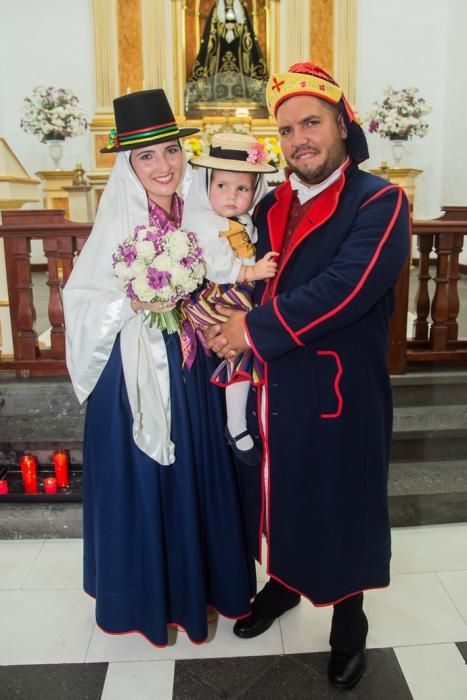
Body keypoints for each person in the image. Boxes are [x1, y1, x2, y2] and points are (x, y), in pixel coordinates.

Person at [204, 63, 410, 689]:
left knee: (343, 500)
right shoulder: (269, 202)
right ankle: (283, 585)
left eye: (312, 123)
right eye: (287, 129)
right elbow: (241, 267)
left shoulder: (380, 199)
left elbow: (345, 289)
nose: (299, 140)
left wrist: (250, 332)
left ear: (344, 126)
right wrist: (217, 315)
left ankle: (350, 619)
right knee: (280, 491)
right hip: (274, 386)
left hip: (340, 391)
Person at [63, 89, 254, 647]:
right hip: (133, 375)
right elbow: (84, 299)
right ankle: (147, 597)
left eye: (170, 151)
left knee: (196, 472)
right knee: (147, 481)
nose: (163, 166)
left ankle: (201, 590)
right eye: (147, 157)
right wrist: (135, 301)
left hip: (192, 370)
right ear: (129, 164)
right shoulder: (118, 217)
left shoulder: (203, 207)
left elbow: (226, 268)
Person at [181, 132, 278, 465]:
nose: (232, 196)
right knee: (242, 349)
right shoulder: (204, 223)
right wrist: (254, 273)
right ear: (206, 184)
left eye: (242, 189)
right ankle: (235, 425)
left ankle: (241, 419)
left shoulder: (242, 220)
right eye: (222, 186)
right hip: (217, 297)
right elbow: (220, 268)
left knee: (246, 348)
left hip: (234, 296)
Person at [186, 0, 268, 104]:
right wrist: (224, 29)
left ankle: (243, 94)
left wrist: (235, 29)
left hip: (239, 48)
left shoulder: (241, 7)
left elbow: (246, 29)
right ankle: (215, 94)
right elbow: (212, 29)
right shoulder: (216, 8)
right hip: (220, 49)